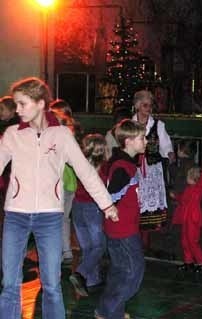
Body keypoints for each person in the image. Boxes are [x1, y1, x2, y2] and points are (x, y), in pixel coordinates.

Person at [0, 77, 118, 319]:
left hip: (50, 218)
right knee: (10, 284)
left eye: (22, 104)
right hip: (16, 216)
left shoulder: (62, 135)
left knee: (52, 285)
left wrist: (106, 204)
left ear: (40, 103)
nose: (17, 110)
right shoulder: (12, 134)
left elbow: (85, 171)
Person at [95, 119, 146, 319]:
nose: (145, 141)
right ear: (128, 141)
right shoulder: (124, 167)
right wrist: (112, 208)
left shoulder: (123, 163)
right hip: (123, 231)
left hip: (120, 229)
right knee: (134, 272)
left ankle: (110, 311)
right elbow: (111, 195)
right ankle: (108, 308)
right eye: (142, 138)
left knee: (119, 271)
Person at [132, 90, 175, 249]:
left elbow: (165, 144)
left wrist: (169, 152)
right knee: (136, 201)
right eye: (145, 105)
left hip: (152, 170)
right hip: (135, 170)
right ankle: (135, 232)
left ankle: (147, 236)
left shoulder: (158, 125)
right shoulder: (130, 124)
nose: (148, 108)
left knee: (149, 201)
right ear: (137, 106)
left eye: (150, 105)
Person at [69, 134, 108, 297]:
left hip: (77, 206)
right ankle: (81, 273)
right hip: (93, 208)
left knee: (87, 247)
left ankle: (92, 280)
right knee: (99, 246)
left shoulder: (80, 164)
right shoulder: (104, 167)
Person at [170, 159, 202, 273]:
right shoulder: (189, 189)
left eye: (188, 176)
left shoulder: (198, 188)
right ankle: (188, 262)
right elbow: (183, 199)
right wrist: (175, 196)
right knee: (185, 240)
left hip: (193, 219)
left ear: (193, 178)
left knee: (192, 241)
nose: (187, 177)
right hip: (186, 218)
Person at [49, 100, 80, 265]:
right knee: (63, 218)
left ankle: (61, 251)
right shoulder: (69, 133)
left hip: (62, 182)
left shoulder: (61, 135)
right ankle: (66, 250)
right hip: (68, 182)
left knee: (57, 218)